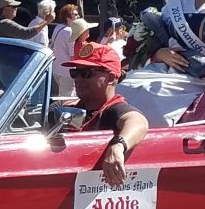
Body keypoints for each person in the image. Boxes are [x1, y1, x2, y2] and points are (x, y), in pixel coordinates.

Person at [59, 42, 149, 187]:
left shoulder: (113, 109)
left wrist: (118, 146)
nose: (78, 79)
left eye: (86, 73)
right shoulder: (69, 107)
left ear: (111, 78)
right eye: (74, 73)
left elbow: (138, 122)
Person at [49, 3, 81, 96]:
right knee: (67, 98)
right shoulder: (69, 31)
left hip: (56, 69)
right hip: (67, 71)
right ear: (68, 17)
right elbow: (72, 55)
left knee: (62, 95)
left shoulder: (58, 27)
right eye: (75, 14)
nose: (77, 16)